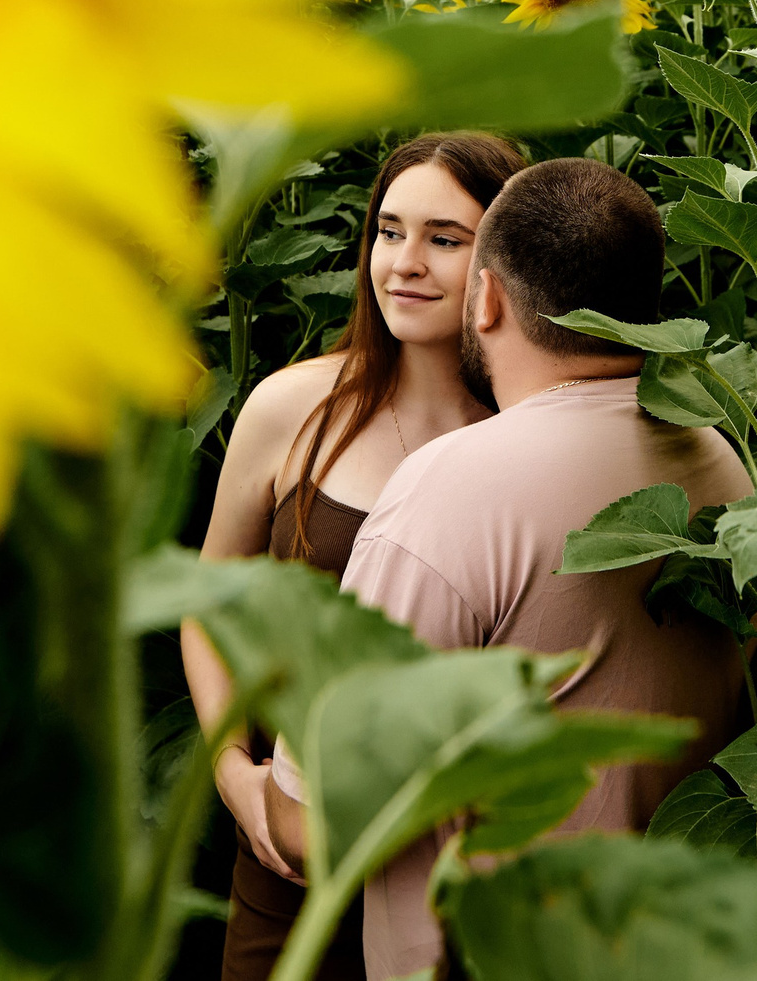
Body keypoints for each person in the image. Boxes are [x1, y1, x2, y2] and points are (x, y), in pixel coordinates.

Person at [263, 157, 754, 980]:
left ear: (486, 297)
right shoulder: (718, 454)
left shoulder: (451, 488)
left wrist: (254, 793)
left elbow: (326, 822)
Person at [181, 131, 525, 981]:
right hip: (290, 849)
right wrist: (233, 773)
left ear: (505, 262)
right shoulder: (291, 407)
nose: (405, 261)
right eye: (388, 229)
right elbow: (210, 593)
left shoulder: (524, 444)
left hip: (447, 867)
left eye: (445, 239)